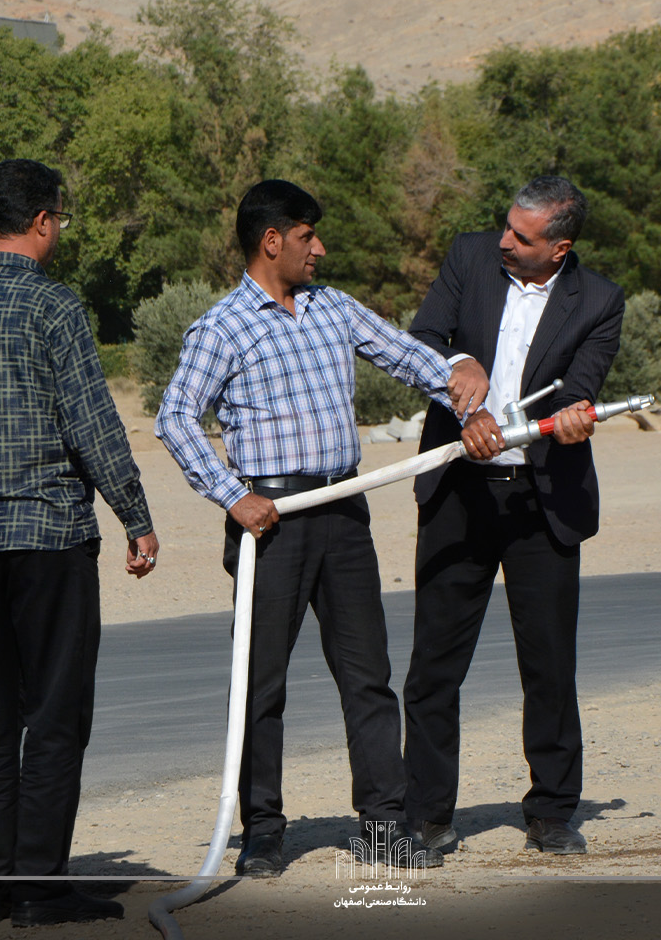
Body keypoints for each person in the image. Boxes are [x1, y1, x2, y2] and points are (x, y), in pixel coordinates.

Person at [154, 178, 491, 877]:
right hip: (270, 524)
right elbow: (175, 417)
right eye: (308, 236)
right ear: (271, 240)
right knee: (261, 684)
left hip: (343, 513)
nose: (320, 249)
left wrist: (464, 390)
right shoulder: (222, 327)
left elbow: (407, 355)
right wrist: (232, 496)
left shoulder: (332, 307)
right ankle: (263, 831)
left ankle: (384, 825)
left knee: (368, 677)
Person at [0, 158, 160, 928]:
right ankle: (39, 888)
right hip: (49, 533)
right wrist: (135, 514)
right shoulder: (54, 306)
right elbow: (90, 420)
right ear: (43, 220)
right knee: (53, 712)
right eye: (60, 220)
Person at [402, 175, 625, 856]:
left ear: (559, 249)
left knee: (549, 667)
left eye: (521, 237)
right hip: (458, 494)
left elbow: (580, 390)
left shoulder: (600, 301)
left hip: (542, 503)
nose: (504, 241)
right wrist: (461, 371)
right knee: (434, 667)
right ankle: (427, 818)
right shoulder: (469, 257)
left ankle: (552, 813)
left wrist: (574, 420)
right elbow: (423, 337)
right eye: (505, 226)